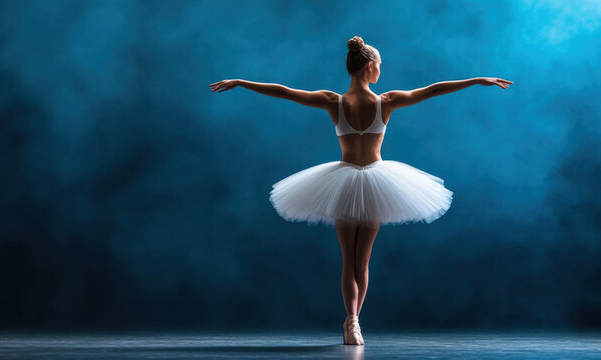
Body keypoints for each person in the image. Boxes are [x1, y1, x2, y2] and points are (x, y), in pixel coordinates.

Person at [208, 35, 512, 345]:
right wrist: (477, 80)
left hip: (347, 181)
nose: (381, 69)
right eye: (379, 65)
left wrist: (241, 82)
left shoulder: (333, 101)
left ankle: (351, 321)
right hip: (373, 182)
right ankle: (354, 323)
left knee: (348, 260)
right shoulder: (386, 101)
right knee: (361, 262)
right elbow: (433, 90)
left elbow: (285, 92)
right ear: (369, 66)